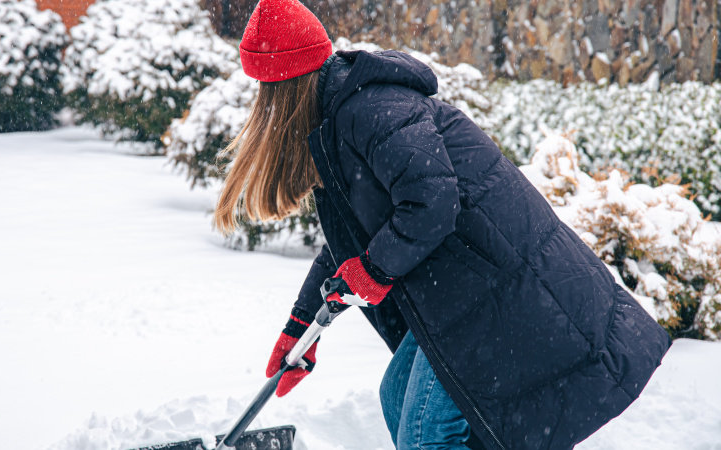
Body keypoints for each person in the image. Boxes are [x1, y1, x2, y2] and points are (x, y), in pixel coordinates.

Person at [214, 1, 672, 449]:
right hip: (465, 294)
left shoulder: (370, 110)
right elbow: (349, 242)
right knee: (398, 400)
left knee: (425, 433)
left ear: (283, 87)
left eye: (264, 91)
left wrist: (374, 270)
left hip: (501, 291)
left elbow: (431, 201)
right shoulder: (337, 121)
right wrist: (300, 323)